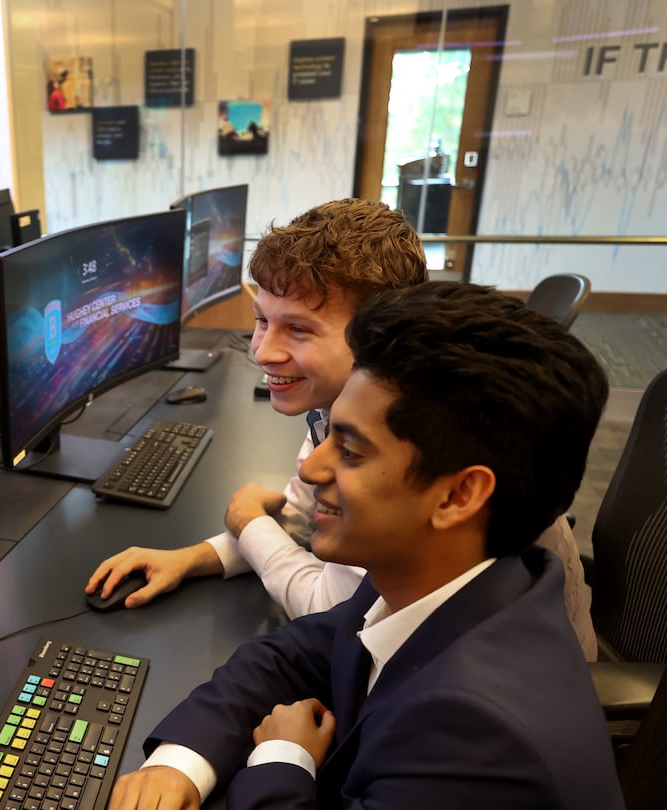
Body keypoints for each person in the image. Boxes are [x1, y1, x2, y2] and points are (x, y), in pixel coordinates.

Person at [110, 282, 621, 810]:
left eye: (350, 451)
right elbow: (292, 654)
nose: (311, 467)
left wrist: (282, 758)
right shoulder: (451, 576)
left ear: (458, 495)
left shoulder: (479, 738)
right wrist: (181, 760)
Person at [86, 198, 597, 661]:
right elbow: (305, 518)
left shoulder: (410, 436)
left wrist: (247, 521)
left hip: (499, 684)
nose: (262, 351)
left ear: (378, 332)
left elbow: (331, 610)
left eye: (300, 329)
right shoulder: (348, 408)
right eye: (263, 319)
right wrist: (197, 558)